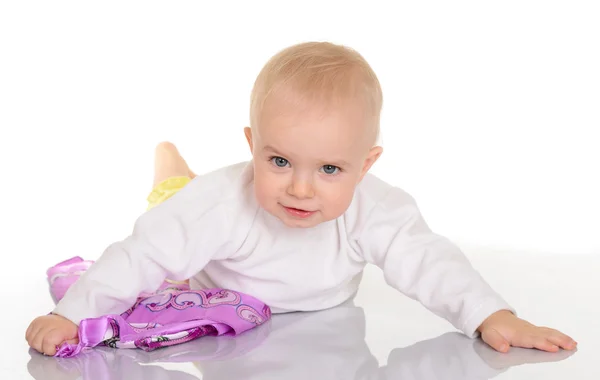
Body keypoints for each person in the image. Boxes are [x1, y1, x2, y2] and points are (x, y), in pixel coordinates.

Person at [26, 41, 577, 357]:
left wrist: (491, 314)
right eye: (280, 160)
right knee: (172, 202)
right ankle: (170, 165)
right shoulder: (223, 203)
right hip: (196, 258)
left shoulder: (376, 208)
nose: (300, 188)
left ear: (367, 165)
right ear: (251, 146)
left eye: (330, 169)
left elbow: (428, 260)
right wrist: (71, 314)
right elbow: (142, 255)